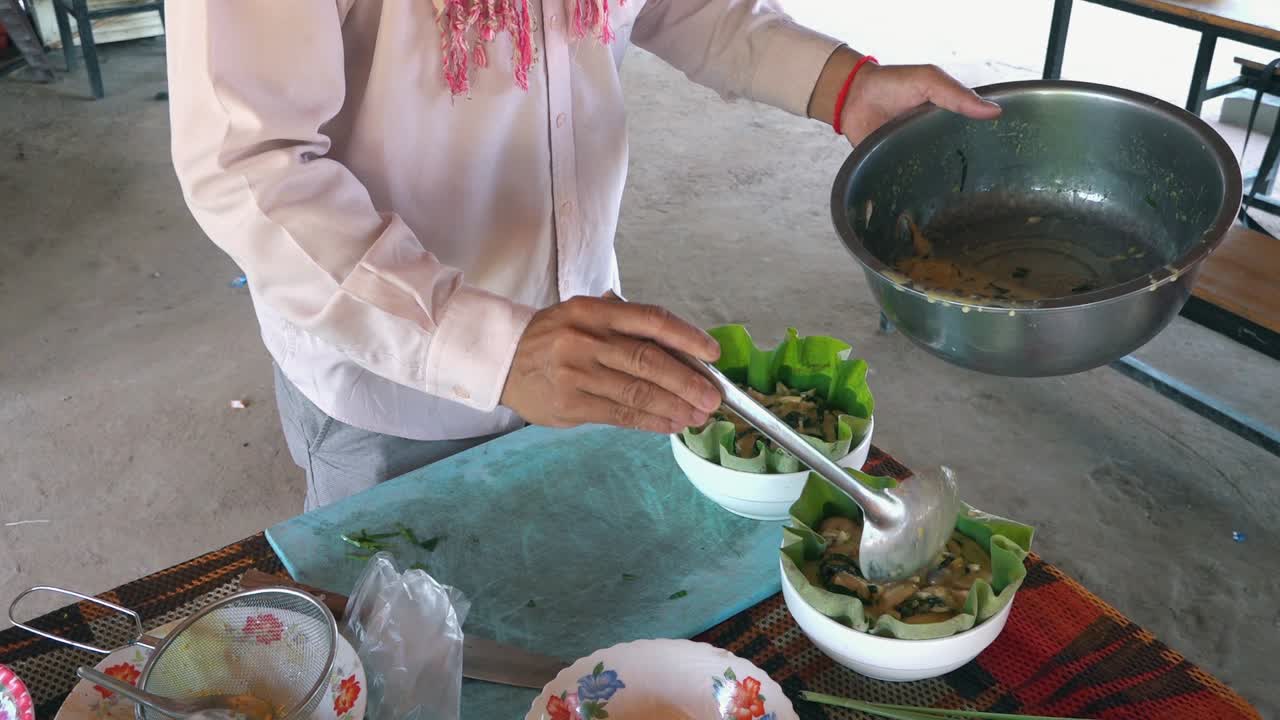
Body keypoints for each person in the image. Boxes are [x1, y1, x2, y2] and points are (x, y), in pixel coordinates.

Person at [166, 1, 1001, 511]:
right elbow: (249, 164)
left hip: (581, 336)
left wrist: (841, 85)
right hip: (392, 384)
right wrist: (489, 346)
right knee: (405, 658)